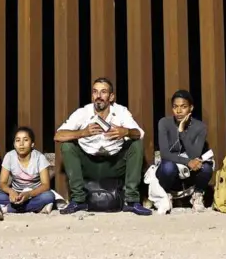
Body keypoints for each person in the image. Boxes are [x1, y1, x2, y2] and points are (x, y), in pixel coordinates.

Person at [54, 77, 152, 215]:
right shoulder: (83, 113)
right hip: (89, 164)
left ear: (111, 97)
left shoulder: (120, 112)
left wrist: (126, 131)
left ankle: (131, 201)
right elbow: (58, 136)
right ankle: (78, 201)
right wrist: (82, 133)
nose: (98, 96)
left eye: (103, 92)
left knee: (136, 144)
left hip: (114, 164)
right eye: (95, 92)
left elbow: (139, 133)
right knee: (67, 146)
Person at [152, 90, 214, 214]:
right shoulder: (164, 123)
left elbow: (194, 155)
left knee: (206, 168)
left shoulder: (200, 127)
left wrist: (181, 131)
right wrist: (187, 161)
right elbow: (164, 153)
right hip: (170, 170)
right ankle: (166, 194)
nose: (179, 111)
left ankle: (197, 195)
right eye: (175, 107)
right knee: (168, 167)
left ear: (191, 108)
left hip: (190, 173)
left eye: (183, 107)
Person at [0, 126, 57, 215]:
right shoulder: (9, 156)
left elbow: (46, 185)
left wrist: (29, 194)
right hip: (15, 194)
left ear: (32, 144)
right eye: (18, 140)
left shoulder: (40, 158)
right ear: (14, 144)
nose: (21, 144)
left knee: (49, 196)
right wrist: (11, 192)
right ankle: (35, 207)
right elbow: (2, 183)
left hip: (34, 194)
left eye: (25, 140)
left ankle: (10, 209)